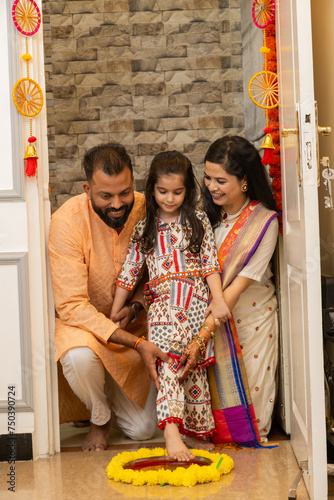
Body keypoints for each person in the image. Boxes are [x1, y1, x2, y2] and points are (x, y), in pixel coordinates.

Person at [48, 143, 171, 452]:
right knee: (77, 357)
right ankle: (99, 416)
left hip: (133, 328)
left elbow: (162, 272)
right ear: (87, 189)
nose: (117, 204)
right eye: (106, 196)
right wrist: (138, 345)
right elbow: (72, 307)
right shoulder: (66, 222)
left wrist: (137, 305)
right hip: (86, 332)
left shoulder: (148, 208)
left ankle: (108, 393)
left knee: (142, 431)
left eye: (125, 193)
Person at [111, 150, 231, 461]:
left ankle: (191, 432)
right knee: (169, 364)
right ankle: (171, 431)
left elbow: (209, 263)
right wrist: (115, 311)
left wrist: (217, 299)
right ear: (151, 189)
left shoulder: (198, 219)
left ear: (188, 191)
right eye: (162, 191)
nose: (169, 198)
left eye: (177, 192)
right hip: (163, 306)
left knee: (193, 366)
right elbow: (130, 270)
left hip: (196, 304)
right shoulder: (145, 226)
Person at [198, 135, 279, 444]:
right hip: (212, 316)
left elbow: (238, 286)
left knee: (252, 421)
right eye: (207, 177)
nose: (211, 186)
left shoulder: (264, 222)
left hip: (250, 319)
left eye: (221, 180)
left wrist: (203, 334)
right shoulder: (204, 215)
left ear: (244, 181)